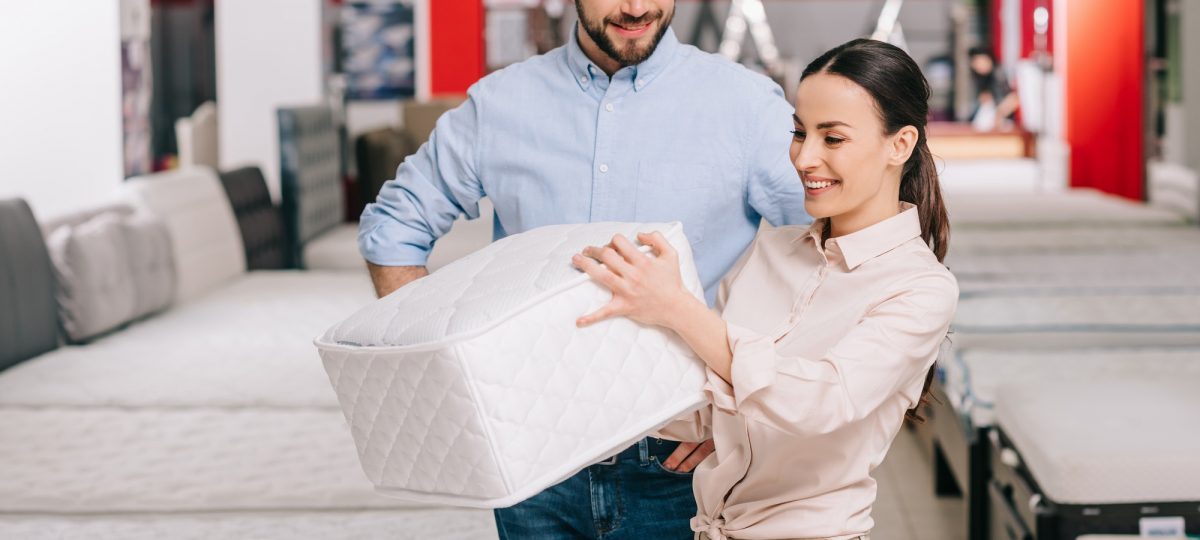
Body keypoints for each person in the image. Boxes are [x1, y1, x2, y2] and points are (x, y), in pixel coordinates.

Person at [357, 1, 810, 537]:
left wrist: (749, 410)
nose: (638, 7)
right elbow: (393, 228)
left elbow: (823, 254)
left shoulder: (747, 105)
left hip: (684, 457)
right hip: (532, 455)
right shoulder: (500, 103)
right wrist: (444, 379)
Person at [572, 38, 959, 540]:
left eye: (833, 138)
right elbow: (707, 398)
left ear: (900, 145)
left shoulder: (921, 288)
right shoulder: (771, 250)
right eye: (799, 133)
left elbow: (821, 401)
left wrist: (676, 308)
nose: (804, 158)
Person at [968, 46, 1019, 131]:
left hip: (1005, 120)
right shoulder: (983, 78)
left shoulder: (999, 73)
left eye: (981, 61)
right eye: (976, 64)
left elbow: (1015, 98)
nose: (979, 66)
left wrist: (999, 114)